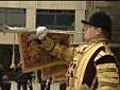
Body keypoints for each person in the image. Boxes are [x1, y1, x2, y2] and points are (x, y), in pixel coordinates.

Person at [35, 11, 120, 90]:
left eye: (89, 27)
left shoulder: (105, 57)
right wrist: (45, 40)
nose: (84, 29)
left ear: (98, 30)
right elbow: (62, 52)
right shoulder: (84, 49)